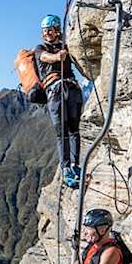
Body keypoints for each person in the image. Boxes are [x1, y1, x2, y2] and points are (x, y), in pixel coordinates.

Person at [35, 14, 84, 189]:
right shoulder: (40, 48)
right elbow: (44, 57)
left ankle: (75, 166)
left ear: (57, 31)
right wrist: (57, 57)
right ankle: (65, 169)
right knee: (62, 132)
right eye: (45, 30)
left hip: (71, 90)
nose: (47, 33)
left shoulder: (65, 45)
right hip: (55, 92)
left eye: (50, 30)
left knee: (74, 130)